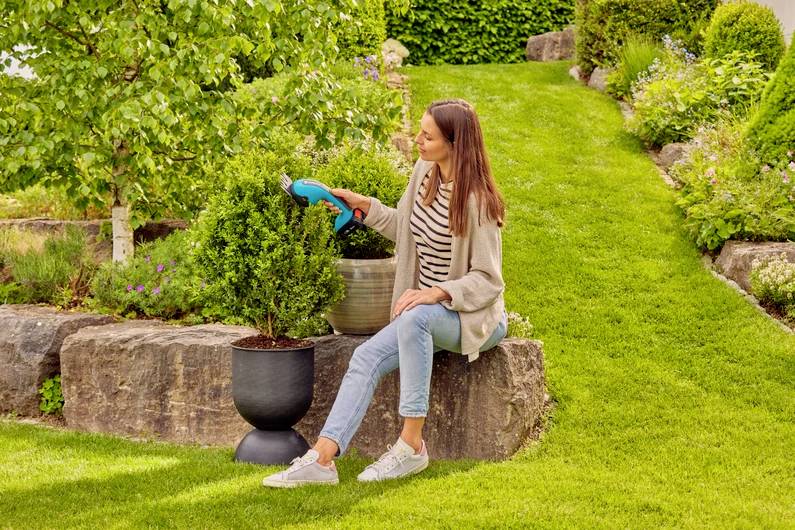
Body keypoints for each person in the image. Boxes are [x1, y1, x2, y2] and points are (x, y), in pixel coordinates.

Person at [263, 98, 507, 488]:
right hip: (423, 317)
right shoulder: (424, 173)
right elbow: (408, 232)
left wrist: (436, 293)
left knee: (417, 317)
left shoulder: (478, 201)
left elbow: (489, 280)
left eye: (427, 136)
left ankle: (411, 446)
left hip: (472, 318)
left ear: (455, 143)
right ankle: (322, 461)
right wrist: (364, 208)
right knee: (365, 357)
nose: (418, 140)